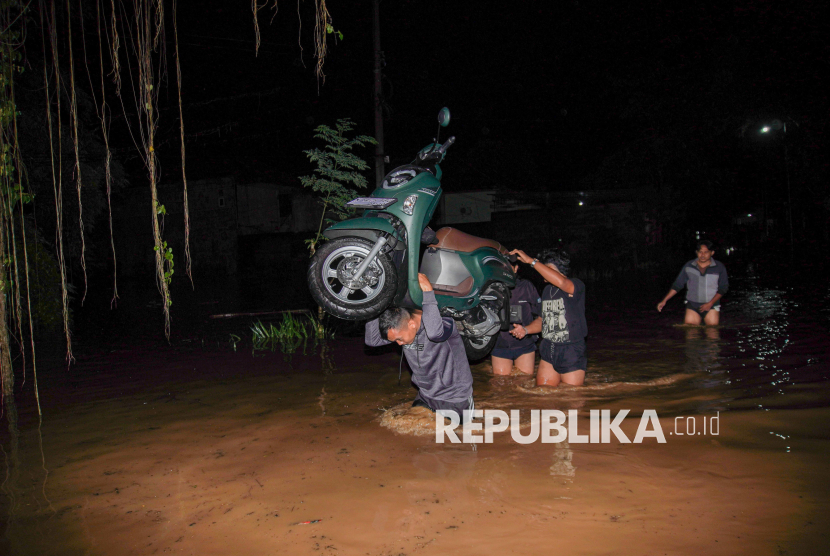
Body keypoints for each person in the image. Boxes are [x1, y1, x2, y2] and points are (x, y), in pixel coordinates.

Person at [365, 273, 474, 423]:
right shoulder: (403, 328)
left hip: (455, 398)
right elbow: (372, 340)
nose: (399, 344)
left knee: (459, 439)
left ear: (411, 324)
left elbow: (435, 333)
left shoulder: (444, 322)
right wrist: (374, 303)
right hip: (426, 396)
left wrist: (428, 293)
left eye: (399, 339)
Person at [509, 248, 587, 387]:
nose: (541, 271)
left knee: (572, 399)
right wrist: (525, 330)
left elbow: (563, 283)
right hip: (548, 349)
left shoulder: (575, 285)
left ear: (553, 269)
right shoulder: (547, 291)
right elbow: (542, 320)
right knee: (543, 396)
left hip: (570, 350)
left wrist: (531, 261)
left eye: (545, 267)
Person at [657, 240, 729, 325]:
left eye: (706, 252)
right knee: (691, 333)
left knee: (712, 333)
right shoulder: (689, 266)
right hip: (692, 306)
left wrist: (710, 303)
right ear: (697, 252)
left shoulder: (719, 267)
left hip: (711, 306)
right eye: (700, 252)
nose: (702, 255)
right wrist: (664, 300)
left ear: (712, 253)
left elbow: (723, 288)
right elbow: (678, 285)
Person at [491, 261, 541, 376]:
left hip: (525, 345)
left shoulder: (526, 286)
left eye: (508, 266)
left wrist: (527, 329)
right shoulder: (491, 288)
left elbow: (542, 316)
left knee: (524, 383)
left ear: (515, 268)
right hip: (500, 344)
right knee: (500, 385)